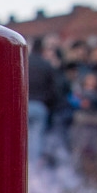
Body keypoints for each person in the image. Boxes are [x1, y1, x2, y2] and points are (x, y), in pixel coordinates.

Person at [27, 37, 59, 168]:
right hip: (40, 106)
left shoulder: (25, 62)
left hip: (23, 106)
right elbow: (54, 90)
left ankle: (25, 166)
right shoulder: (47, 65)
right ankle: (33, 168)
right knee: (37, 138)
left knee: (24, 137)